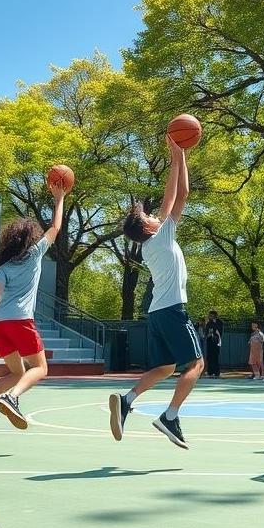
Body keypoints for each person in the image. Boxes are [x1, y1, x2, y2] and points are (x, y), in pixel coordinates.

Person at [109, 137, 202, 450]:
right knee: (195, 366)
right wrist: (182, 156)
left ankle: (127, 400)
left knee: (165, 367)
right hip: (174, 309)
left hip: (157, 312)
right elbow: (183, 195)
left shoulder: (151, 242)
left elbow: (170, 196)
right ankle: (170, 416)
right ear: (149, 227)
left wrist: (176, 158)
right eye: (150, 217)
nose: (154, 215)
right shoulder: (161, 237)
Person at [0, 180, 65, 435]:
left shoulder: (3, 268)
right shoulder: (35, 254)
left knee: (16, 372)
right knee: (40, 368)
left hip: (0, 323)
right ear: (30, 239)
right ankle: (11, 398)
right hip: (21, 320)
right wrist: (59, 198)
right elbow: (56, 227)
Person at [204, 310, 223, 378]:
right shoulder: (209, 322)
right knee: (209, 357)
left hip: (216, 341)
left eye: (211, 315)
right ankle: (210, 371)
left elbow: (219, 331)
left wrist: (214, 326)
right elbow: (206, 331)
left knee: (215, 356)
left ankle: (216, 372)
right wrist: (208, 335)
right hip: (209, 341)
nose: (210, 317)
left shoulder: (219, 322)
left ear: (215, 316)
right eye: (209, 315)